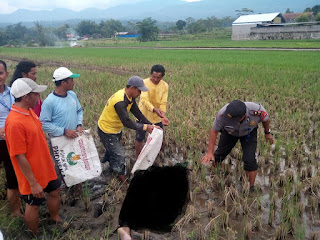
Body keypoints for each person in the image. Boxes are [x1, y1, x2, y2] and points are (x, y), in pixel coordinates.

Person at [5, 78, 62, 235]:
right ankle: (34, 234)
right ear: (26, 97)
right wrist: (33, 183)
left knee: (55, 190)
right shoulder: (15, 122)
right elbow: (19, 156)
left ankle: (55, 218)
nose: (38, 97)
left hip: (45, 168)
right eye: (36, 94)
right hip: (32, 174)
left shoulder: (29, 112)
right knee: (34, 204)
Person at [202, 100, 274, 191]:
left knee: (250, 160)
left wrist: (267, 133)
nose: (230, 120)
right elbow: (214, 131)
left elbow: (265, 119)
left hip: (249, 133)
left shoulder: (256, 110)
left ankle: (250, 188)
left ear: (244, 115)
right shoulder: (222, 114)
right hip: (229, 133)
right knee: (219, 155)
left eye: (233, 120)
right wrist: (209, 152)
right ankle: (214, 174)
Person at [97, 76, 159, 183]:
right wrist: (145, 127)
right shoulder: (120, 101)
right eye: (139, 90)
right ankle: (123, 181)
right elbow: (127, 122)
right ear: (132, 88)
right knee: (119, 155)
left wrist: (151, 125)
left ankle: (110, 165)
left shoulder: (130, 97)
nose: (140, 93)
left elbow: (138, 113)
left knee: (112, 150)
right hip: (107, 130)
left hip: (116, 129)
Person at [39, 67, 83, 200]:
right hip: (59, 142)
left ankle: (77, 193)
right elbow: (44, 124)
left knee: (76, 163)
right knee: (62, 167)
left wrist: (79, 124)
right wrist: (64, 131)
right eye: (71, 80)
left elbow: (79, 111)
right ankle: (62, 192)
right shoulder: (50, 102)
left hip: (74, 138)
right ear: (64, 83)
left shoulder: (72, 95)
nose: (73, 82)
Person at [0, 60, 22, 217]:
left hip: (10, 142)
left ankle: (15, 212)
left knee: (12, 177)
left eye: (0, 73)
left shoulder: (13, 94)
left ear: (6, 74)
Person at [135, 64, 169, 158]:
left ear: (162, 77)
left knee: (161, 138)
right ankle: (138, 157)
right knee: (139, 138)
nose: (155, 79)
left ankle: (161, 156)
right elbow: (144, 100)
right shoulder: (144, 83)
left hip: (157, 117)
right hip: (143, 115)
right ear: (151, 74)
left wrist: (163, 116)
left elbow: (163, 102)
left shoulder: (165, 85)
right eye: (153, 77)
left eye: (158, 77)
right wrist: (154, 109)